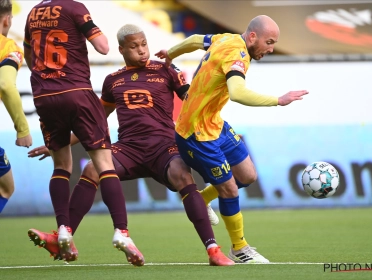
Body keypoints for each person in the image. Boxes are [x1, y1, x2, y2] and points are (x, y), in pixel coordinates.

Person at [27, 24, 234, 266]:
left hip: (163, 147)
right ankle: (63, 237)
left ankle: (213, 249)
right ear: (122, 49)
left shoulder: (166, 69)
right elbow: (95, 121)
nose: (142, 51)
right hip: (128, 149)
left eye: (144, 44)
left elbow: (191, 98)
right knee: (92, 169)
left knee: (182, 175)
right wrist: (58, 145)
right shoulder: (112, 80)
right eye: (134, 47)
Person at [155, 15, 309, 263]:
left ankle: (203, 199)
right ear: (252, 37)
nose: (271, 48)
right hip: (195, 133)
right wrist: (278, 100)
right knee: (228, 189)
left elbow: (196, 40)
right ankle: (239, 248)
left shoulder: (225, 38)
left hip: (214, 123)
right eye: (269, 42)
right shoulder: (237, 55)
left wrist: (171, 53)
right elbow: (237, 92)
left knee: (247, 176)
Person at [23, 0, 144, 266]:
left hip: (44, 95)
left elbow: (29, 53)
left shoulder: (33, 13)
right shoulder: (75, 8)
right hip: (76, 91)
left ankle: (64, 229)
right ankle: (121, 232)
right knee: (104, 165)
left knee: (62, 166)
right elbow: (103, 47)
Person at [0, 0, 32, 213]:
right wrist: (23, 129)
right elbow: (5, 85)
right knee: (5, 188)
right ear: (7, 19)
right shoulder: (8, 47)